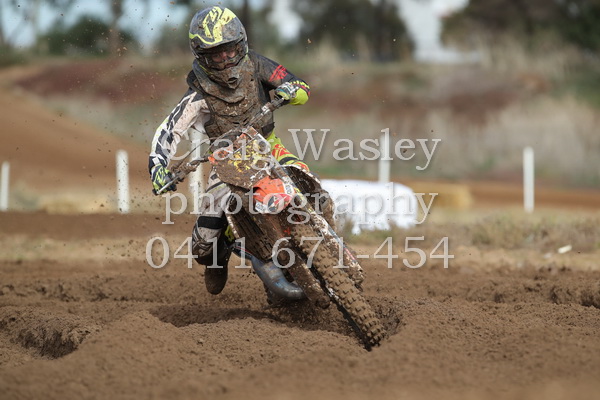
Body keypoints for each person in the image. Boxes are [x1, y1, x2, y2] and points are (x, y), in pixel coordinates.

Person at [149, 6, 312, 295]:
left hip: (269, 146)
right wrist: (158, 166)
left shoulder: (257, 65)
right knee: (203, 245)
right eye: (216, 54)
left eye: (229, 50)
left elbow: (299, 86)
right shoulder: (198, 92)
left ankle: (326, 237)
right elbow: (169, 130)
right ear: (202, 56)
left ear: (241, 43)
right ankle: (222, 250)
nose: (225, 59)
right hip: (227, 162)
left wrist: (290, 91)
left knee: (306, 182)